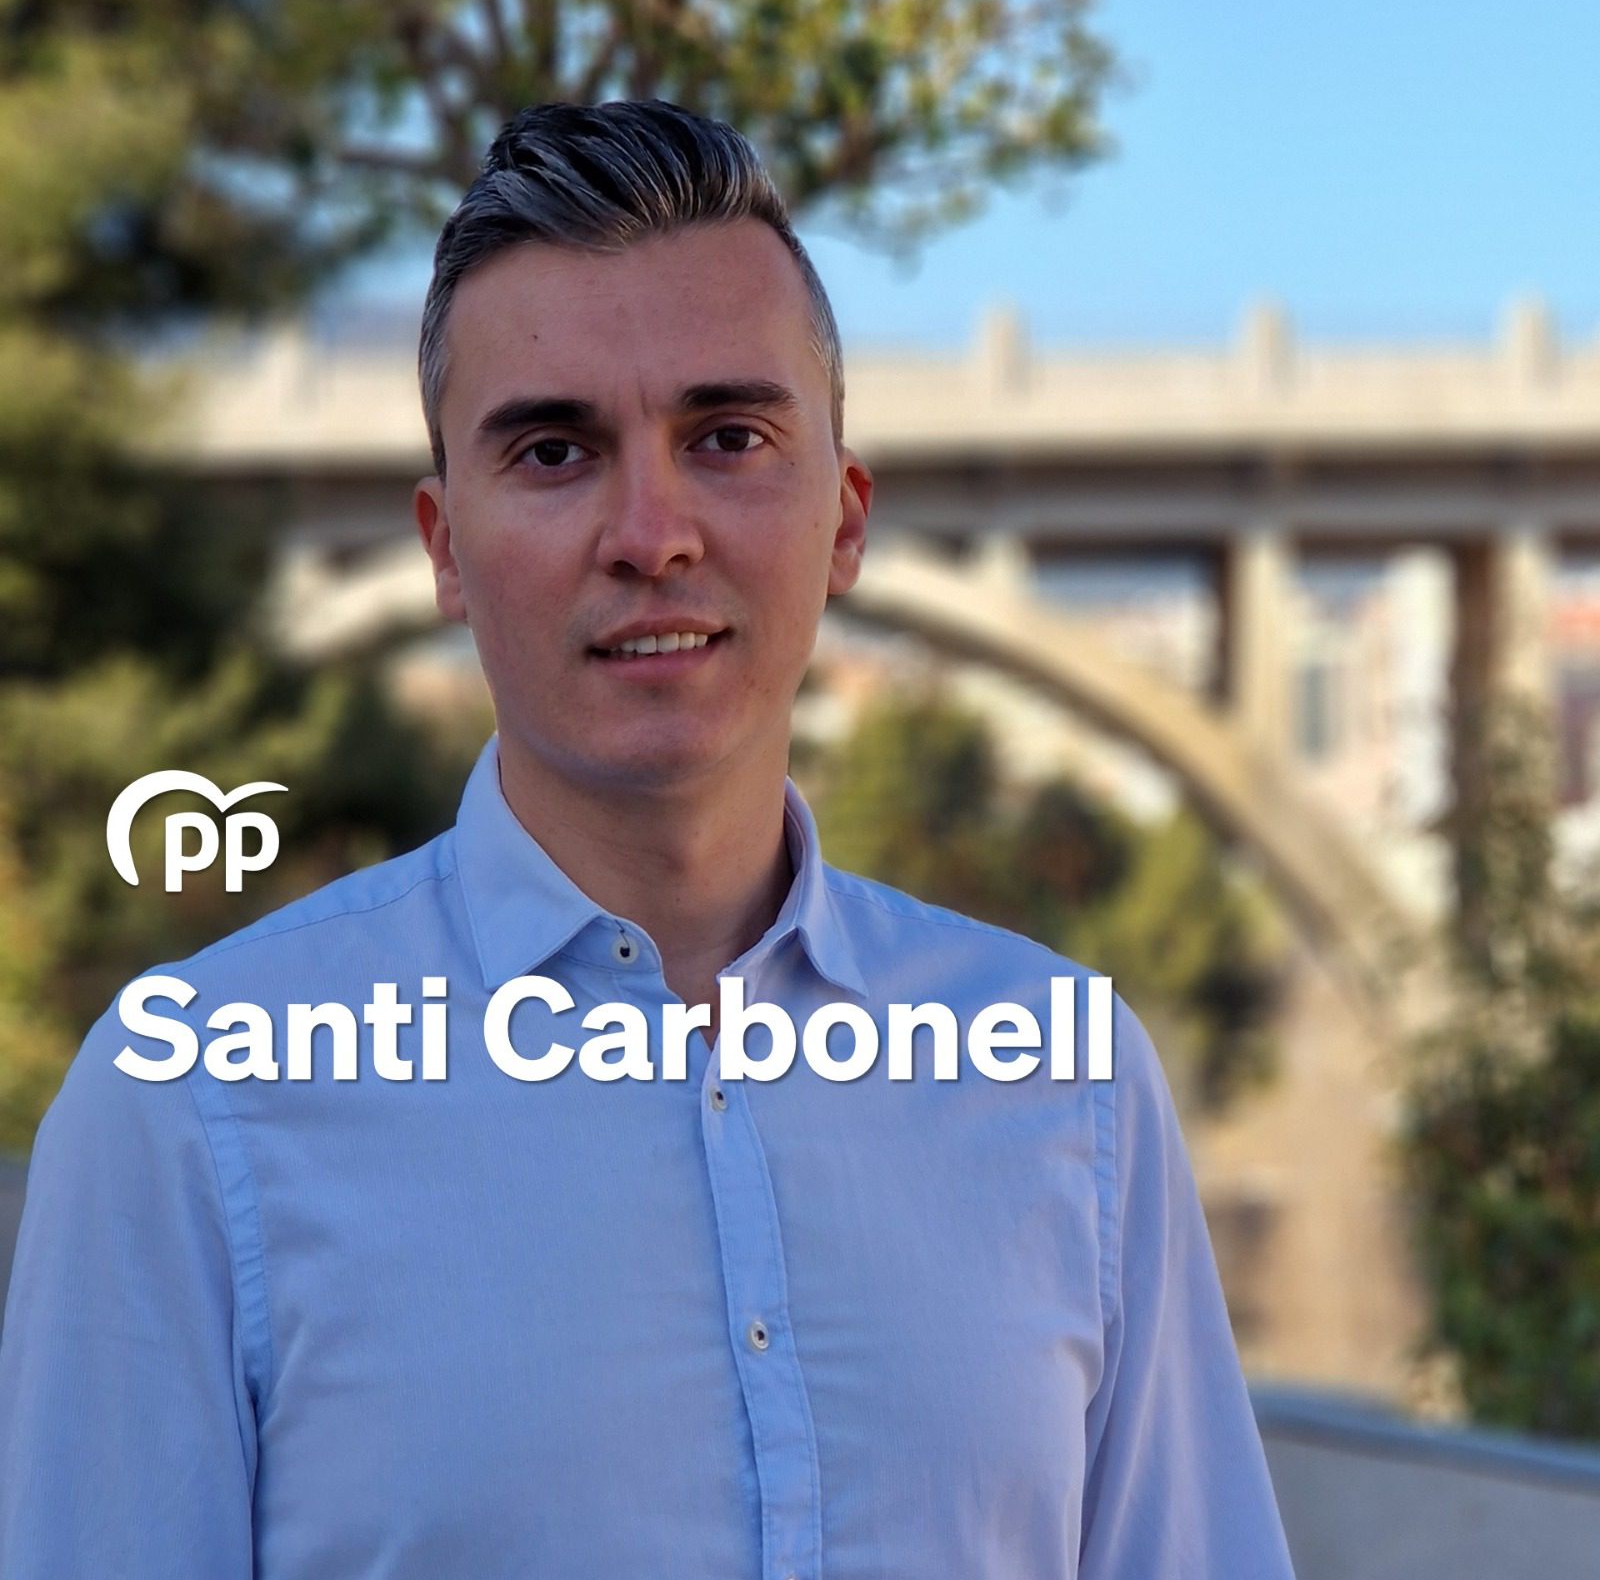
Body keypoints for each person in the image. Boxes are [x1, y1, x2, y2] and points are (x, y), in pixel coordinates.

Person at [0, 100, 1296, 1578]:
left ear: (845, 519)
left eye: (728, 437)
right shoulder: (190, 1109)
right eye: (555, 451)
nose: (651, 532)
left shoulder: (1075, 1085)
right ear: (444, 546)